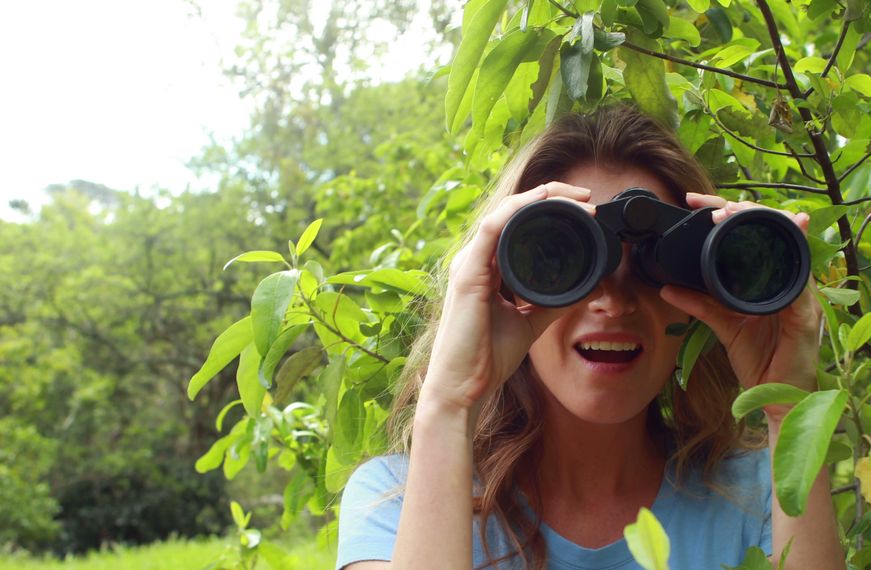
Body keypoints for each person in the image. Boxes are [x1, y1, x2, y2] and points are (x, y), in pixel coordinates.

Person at [336, 105, 844, 569]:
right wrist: (449, 401)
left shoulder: (759, 493)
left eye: (652, 268)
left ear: (700, 295)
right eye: (568, 263)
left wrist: (790, 408)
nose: (614, 303)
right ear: (505, 282)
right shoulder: (395, 504)